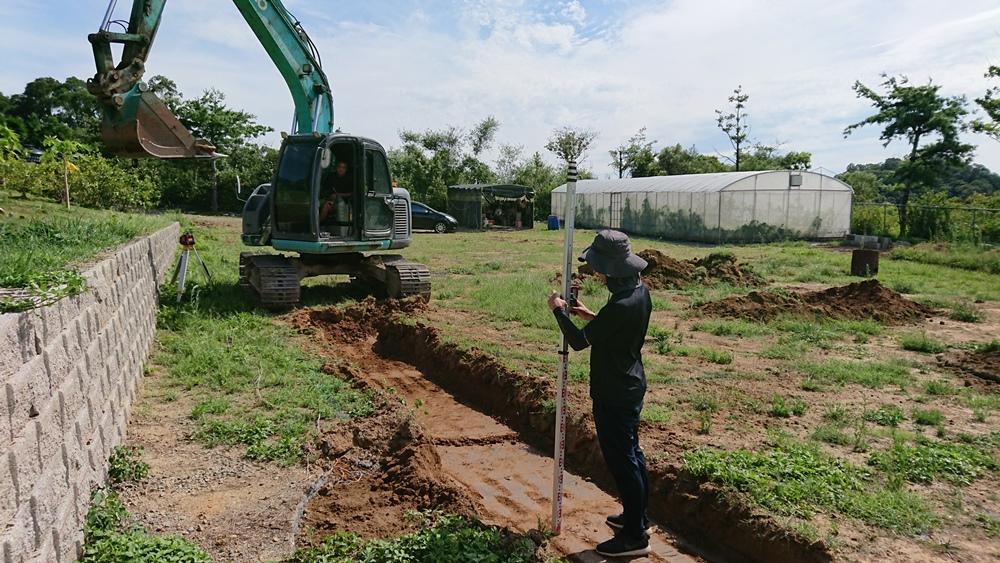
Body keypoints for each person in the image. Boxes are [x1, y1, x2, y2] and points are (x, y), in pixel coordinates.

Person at [546, 229, 652, 558]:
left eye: (599, 268)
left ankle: (634, 537)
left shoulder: (620, 304)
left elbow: (579, 342)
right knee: (633, 455)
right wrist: (586, 313)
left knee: (623, 462)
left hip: (614, 392)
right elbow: (610, 327)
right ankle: (638, 519)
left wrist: (558, 312)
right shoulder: (639, 292)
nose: (597, 273)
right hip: (630, 383)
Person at [319, 161, 352, 228]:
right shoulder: (331, 176)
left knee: (326, 206)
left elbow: (352, 194)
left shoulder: (350, 179)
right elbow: (324, 188)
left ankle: (317, 225)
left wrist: (338, 195)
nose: (341, 169)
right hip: (329, 199)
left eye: (343, 167)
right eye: (339, 167)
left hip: (344, 204)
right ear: (336, 168)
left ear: (346, 169)